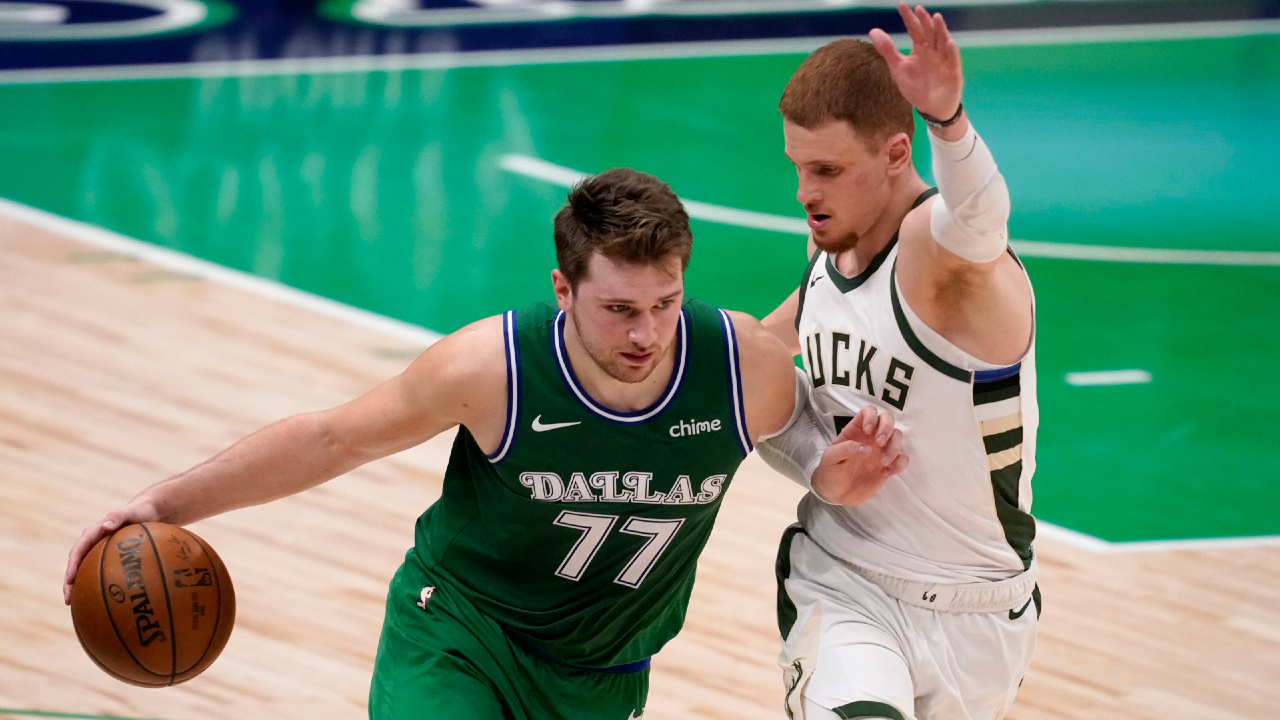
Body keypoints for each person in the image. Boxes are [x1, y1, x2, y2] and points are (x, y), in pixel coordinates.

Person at [64, 168, 908, 719]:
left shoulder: (741, 367)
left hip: (602, 674)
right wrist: (162, 504)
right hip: (460, 635)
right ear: (562, 287)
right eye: (618, 308)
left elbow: (802, 448)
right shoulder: (492, 366)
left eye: (664, 303)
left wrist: (833, 479)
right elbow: (330, 440)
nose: (647, 331)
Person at [756, 4, 1040, 720]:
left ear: (893, 151)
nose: (804, 194)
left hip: (982, 610)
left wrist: (950, 123)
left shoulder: (945, 262)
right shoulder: (827, 250)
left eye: (826, 170)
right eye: (796, 168)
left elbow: (978, 220)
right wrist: (818, 466)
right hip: (843, 582)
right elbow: (757, 383)